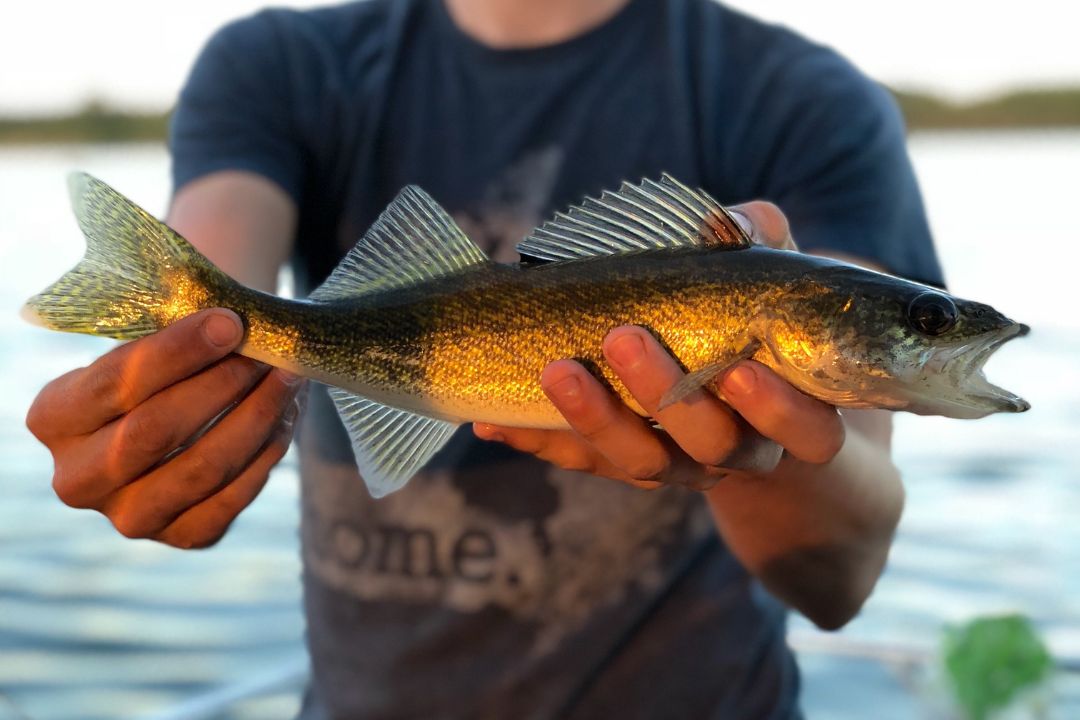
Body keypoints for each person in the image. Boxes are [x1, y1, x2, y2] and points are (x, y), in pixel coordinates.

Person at [27, 0, 944, 717]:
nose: (930, 337)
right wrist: (172, 407)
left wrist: (753, 459)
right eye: (931, 323)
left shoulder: (804, 99)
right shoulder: (277, 66)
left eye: (927, 323)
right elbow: (218, 275)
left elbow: (842, 574)